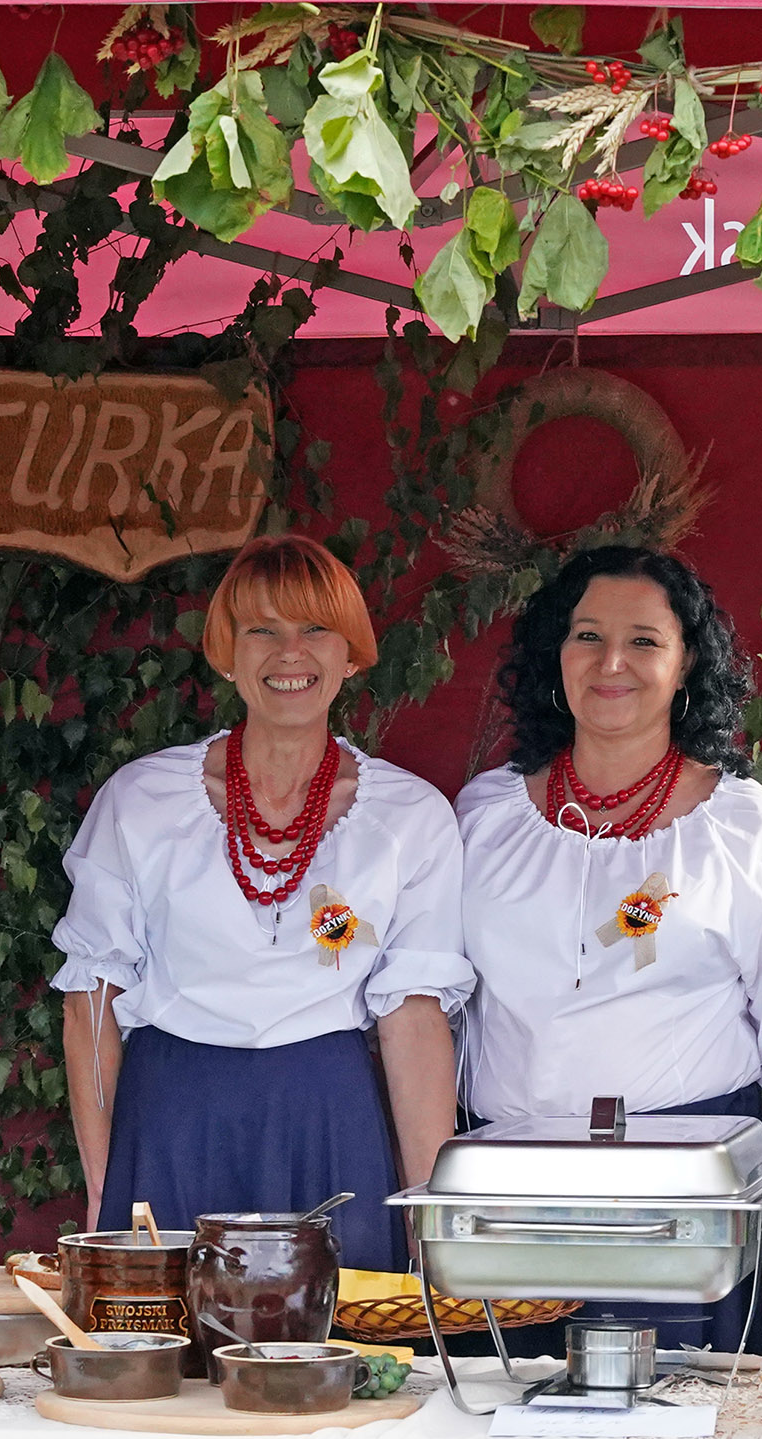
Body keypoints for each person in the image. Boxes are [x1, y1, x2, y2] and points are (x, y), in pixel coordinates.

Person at [457, 546, 762, 1348]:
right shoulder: (484, 818)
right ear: (556, 654)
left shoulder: (739, 824)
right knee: (499, 1419)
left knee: (678, 1426)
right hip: (506, 1198)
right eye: (588, 637)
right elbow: (433, 1011)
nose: (612, 664)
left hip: (688, 1201)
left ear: (685, 660)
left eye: (643, 641)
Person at [52, 535, 468, 1270]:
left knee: (338, 1332)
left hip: (327, 1116)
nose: (290, 653)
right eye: (262, 630)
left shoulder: (410, 815)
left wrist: (428, 1213)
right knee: (168, 1330)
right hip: (172, 1113)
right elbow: (93, 995)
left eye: (315, 628)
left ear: (351, 653)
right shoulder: (141, 800)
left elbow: (413, 1020)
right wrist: (103, 1187)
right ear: (226, 653)